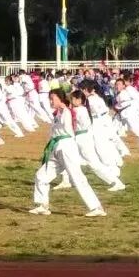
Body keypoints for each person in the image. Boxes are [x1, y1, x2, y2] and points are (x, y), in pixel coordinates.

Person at [29, 89, 107, 217]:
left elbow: (70, 125)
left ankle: (96, 207)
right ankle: (42, 205)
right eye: (50, 99)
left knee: (77, 177)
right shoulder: (58, 113)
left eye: (52, 99)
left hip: (67, 146)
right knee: (41, 176)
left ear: (60, 99)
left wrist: (65, 108)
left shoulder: (67, 111)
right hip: (56, 147)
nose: (50, 101)